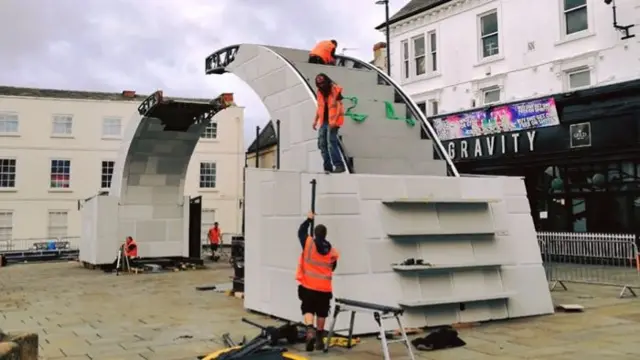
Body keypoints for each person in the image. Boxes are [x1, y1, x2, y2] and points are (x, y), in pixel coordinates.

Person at [296, 211, 340, 352]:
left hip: (309, 286)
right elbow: (333, 267)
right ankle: (320, 338)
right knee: (322, 312)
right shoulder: (331, 250)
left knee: (308, 309)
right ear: (325, 235)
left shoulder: (309, 244)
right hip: (324, 289)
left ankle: (310, 330)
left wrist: (308, 219)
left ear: (315, 233)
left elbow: (301, 232)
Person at [313, 73, 346, 173]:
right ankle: (327, 167)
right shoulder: (319, 92)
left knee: (331, 142)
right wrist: (315, 120)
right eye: (319, 84)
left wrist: (335, 120)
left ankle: (339, 165)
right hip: (324, 121)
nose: (321, 85)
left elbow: (339, 106)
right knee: (322, 144)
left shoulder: (335, 89)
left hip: (333, 121)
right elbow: (320, 108)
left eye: (323, 83)